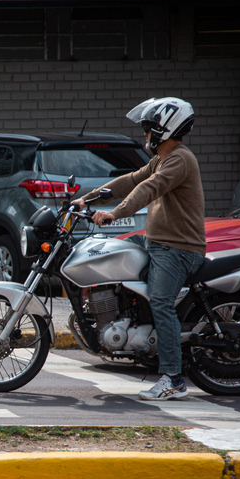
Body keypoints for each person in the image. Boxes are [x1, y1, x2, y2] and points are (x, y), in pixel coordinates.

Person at [72, 97, 206, 401]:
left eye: (148, 130)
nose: (145, 135)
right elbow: (132, 180)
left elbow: (148, 188)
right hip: (155, 241)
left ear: (164, 129)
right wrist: (88, 199)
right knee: (108, 254)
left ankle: (173, 379)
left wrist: (115, 213)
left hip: (179, 248)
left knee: (161, 301)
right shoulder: (162, 158)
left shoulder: (180, 159)